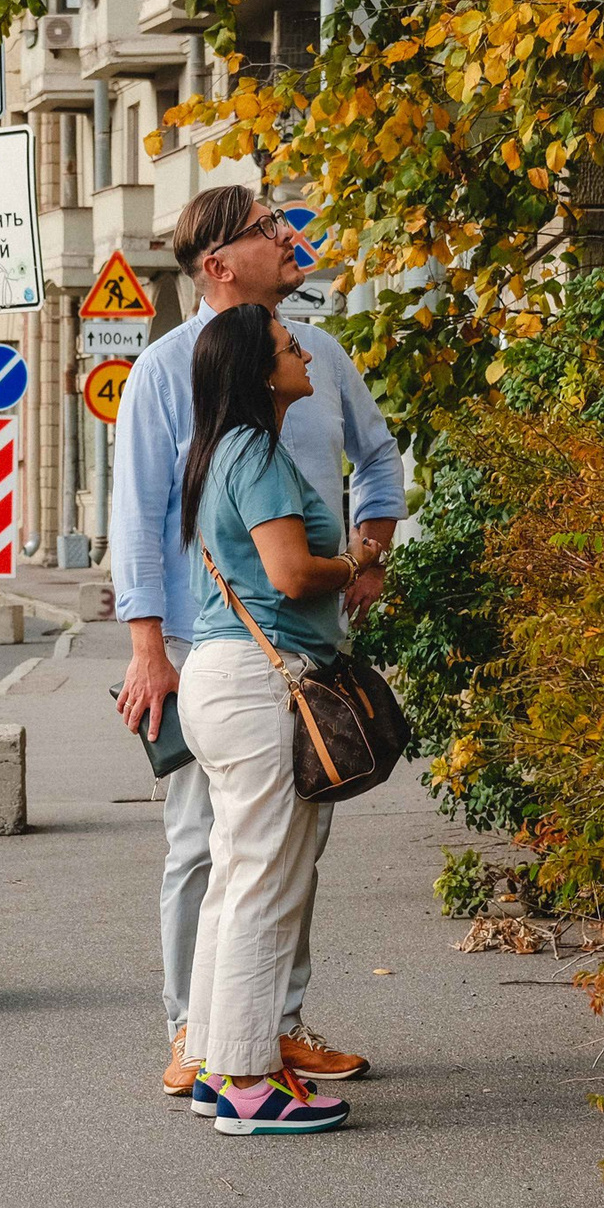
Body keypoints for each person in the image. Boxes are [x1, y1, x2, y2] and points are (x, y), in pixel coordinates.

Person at [110, 185, 403, 1102]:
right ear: (217, 264)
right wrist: (147, 647)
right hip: (217, 646)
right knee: (212, 849)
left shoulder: (316, 354)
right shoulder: (167, 373)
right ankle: (199, 1037)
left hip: (301, 649)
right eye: (266, 229)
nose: (289, 238)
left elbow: (379, 460)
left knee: (281, 850)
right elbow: (141, 514)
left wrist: (369, 559)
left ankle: (272, 1027)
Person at [172, 304, 386, 1133]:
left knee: (237, 877)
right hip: (260, 687)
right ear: (262, 372)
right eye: (291, 346)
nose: (304, 353)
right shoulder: (256, 451)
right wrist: (359, 561)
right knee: (266, 881)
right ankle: (249, 1084)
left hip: (227, 680)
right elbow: (292, 574)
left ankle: (218, 1066)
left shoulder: (224, 448)